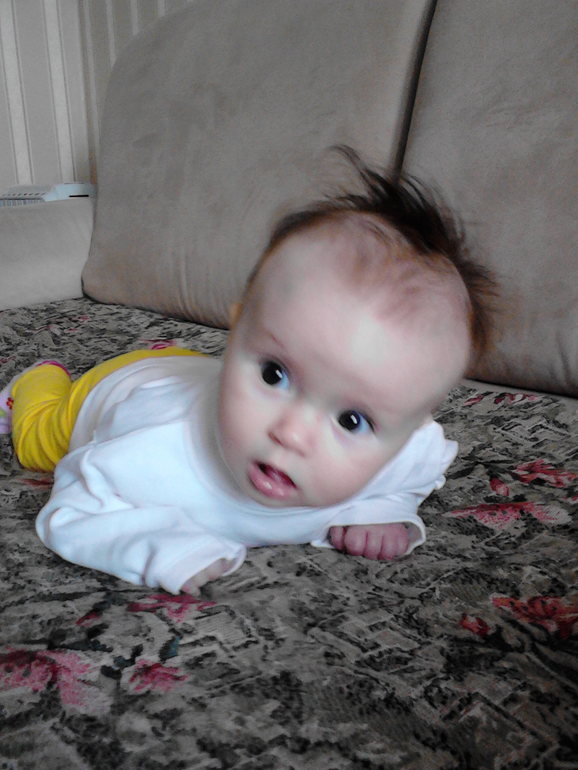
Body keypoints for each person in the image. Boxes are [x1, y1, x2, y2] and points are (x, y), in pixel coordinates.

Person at [0, 148, 494, 595]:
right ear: (234, 334)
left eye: (351, 421)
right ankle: (41, 378)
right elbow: (72, 512)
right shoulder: (150, 448)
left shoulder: (408, 447)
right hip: (111, 391)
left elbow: (418, 471)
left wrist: (386, 511)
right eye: (275, 375)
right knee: (37, 443)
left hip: (191, 372)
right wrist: (159, 548)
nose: (291, 434)